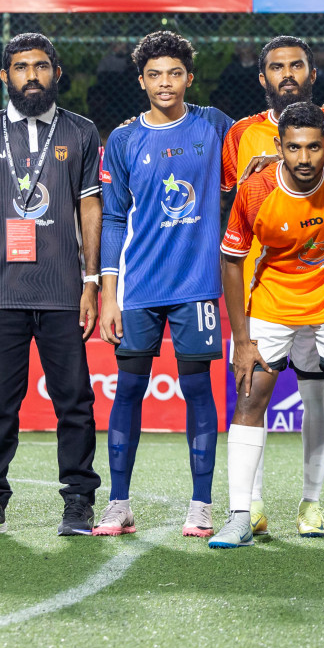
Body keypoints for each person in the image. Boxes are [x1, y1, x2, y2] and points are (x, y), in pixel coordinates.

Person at [0, 32, 104, 537]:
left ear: (56, 73)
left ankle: (78, 501)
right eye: (21, 67)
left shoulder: (81, 131)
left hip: (63, 293)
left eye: (41, 66)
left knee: (75, 403)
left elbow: (89, 207)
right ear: (5, 75)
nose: (31, 76)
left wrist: (89, 282)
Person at [213, 102, 324, 549]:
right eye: (293, 148)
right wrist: (243, 340)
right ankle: (240, 516)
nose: (303, 159)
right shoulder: (253, 190)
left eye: (312, 148)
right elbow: (231, 263)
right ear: (278, 147)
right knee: (249, 399)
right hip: (272, 304)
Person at [96, 31, 235, 539]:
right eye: (155, 74)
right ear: (141, 81)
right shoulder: (123, 139)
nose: (165, 83)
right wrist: (108, 292)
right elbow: (113, 219)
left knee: (198, 389)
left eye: (174, 73)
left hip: (197, 286)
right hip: (138, 289)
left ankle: (200, 505)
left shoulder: (214, 124)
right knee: (128, 388)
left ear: (189, 78)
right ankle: (118, 504)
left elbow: (267, 142)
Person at [220, 36, 324, 540]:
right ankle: (251, 505)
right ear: (261, 77)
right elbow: (229, 211)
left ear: (313, 73)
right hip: (259, 294)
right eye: (276, 67)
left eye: (296, 66)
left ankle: (311, 503)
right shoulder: (241, 134)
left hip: (322, 289)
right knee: (252, 396)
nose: (287, 74)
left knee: (317, 398)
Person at [211, 43, 267, 121]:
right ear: (237, 49)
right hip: (235, 110)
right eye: (241, 43)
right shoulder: (231, 69)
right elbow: (222, 91)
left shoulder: (262, 68)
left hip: (259, 108)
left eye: (247, 42)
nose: (244, 45)